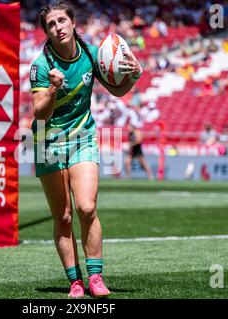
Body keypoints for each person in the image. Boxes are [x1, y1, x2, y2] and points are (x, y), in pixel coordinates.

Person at [29, 1, 143, 298]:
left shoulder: (92, 53)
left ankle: (95, 277)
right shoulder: (41, 66)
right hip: (47, 142)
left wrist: (135, 74)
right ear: (47, 32)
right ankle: (75, 282)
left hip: (83, 140)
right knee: (63, 217)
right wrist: (53, 88)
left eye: (62, 21)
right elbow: (40, 114)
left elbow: (117, 89)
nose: (58, 27)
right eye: (51, 24)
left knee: (87, 207)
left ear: (73, 23)